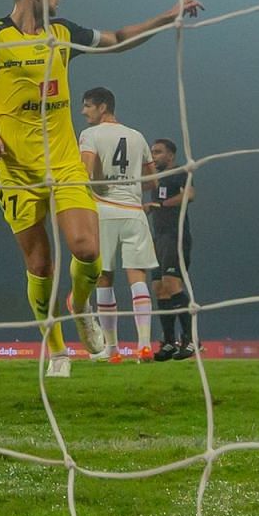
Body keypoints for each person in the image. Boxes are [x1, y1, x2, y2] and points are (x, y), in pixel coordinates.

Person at [0, 0, 201, 378]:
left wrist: (165, 17)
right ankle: (56, 349)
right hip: (15, 169)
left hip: (65, 163)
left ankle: (80, 305)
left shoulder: (63, 33)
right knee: (40, 265)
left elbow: (118, 39)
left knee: (87, 250)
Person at [77, 87, 157, 362]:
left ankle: (112, 350)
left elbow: (85, 172)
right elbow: (152, 182)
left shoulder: (90, 135)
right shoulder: (138, 136)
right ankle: (144, 345)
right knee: (137, 277)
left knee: (104, 277)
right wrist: (130, 187)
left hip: (104, 211)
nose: (83, 111)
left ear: (102, 107)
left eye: (87, 105)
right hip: (135, 212)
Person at [148, 138, 197, 360]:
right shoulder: (154, 178)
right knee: (159, 287)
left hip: (175, 238)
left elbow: (189, 195)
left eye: (158, 152)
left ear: (171, 155)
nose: (153, 155)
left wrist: (162, 205)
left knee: (172, 284)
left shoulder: (179, 172)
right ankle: (169, 341)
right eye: (152, 152)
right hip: (157, 238)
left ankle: (191, 339)